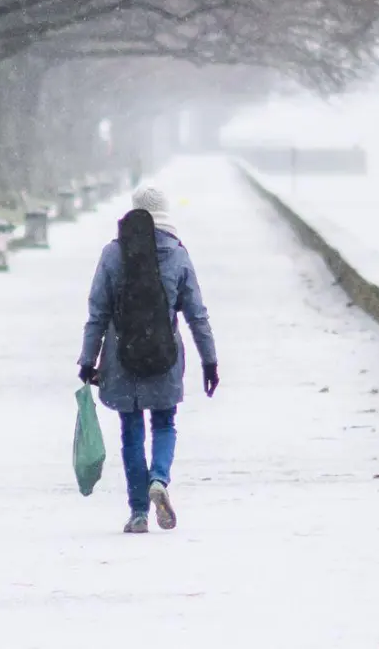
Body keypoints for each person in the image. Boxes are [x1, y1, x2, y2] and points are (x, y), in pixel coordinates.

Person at [78, 185, 219, 533]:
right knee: (164, 423)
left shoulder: (113, 254)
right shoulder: (177, 255)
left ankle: (139, 512)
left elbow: (97, 312)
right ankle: (159, 478)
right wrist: (209, 360)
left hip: (121, 357)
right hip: (164, 356)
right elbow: (196, 315)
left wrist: (87, 359)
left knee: (131, 432)